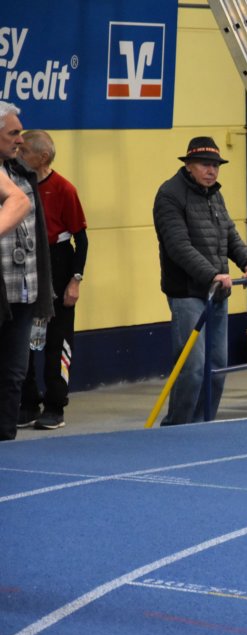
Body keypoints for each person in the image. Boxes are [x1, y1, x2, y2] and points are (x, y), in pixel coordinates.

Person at [153, 137, 247, 425]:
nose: (212, 171)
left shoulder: (214, 194)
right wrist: (212, 275)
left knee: (216, 367)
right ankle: (178, 427)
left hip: (217, 292)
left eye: (216, 165)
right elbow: (178, 246)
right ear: (189, 165)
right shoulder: (169, 195)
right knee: (192, 367)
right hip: (188, 292)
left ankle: (204, 425)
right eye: (205, 165)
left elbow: (229, 234)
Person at [17, 130, 88, 429]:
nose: (18, 155)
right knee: (23, 337)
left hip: (58, 263)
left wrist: (75, 280)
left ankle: (55, 405)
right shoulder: (17, 185)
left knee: (56, 339)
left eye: (24, 152)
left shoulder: (64, 189)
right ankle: (28, 402)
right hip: (26, 262)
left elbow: (81, 240)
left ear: (42, 157)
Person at [0, 101, 50, 441]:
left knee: (15, 373)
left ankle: (6, 439)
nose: (21, 140)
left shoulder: (21, 174)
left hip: (24, 290)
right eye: (13, 133)